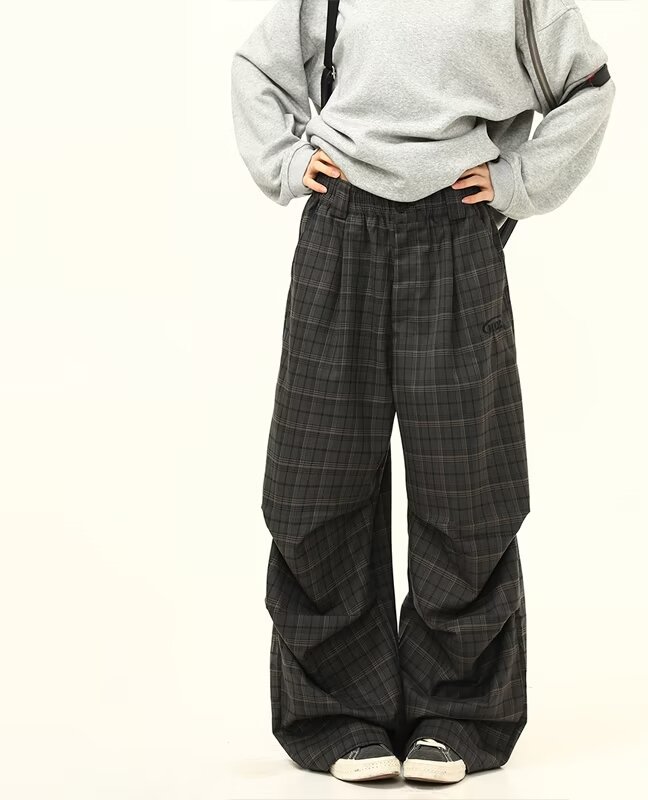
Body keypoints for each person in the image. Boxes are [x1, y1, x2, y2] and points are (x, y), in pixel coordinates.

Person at [230, 0, 615, 785]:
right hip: (341, 227)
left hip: (456, 231)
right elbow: (258, 68)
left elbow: (588, 85)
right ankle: (338, 713)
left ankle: (458, 712)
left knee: (466, 488)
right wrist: (286, 163)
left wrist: (519, 180)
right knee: (316, 484)